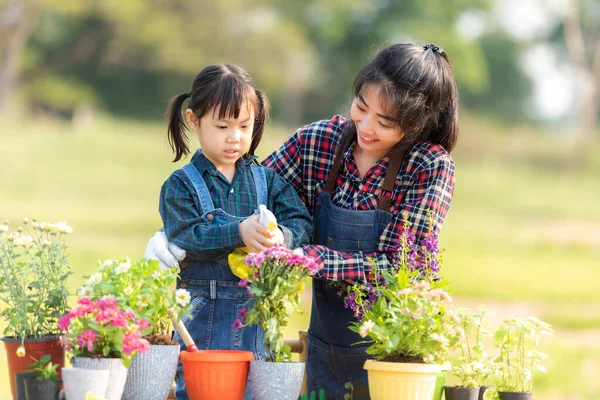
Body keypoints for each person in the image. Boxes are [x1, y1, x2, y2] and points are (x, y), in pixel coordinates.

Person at [147, 43, 458, 399]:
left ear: (416, 123)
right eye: (361, 107)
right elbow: (244, 192)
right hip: (327, 347)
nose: (366, 127)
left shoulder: (428, 166)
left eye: (385, 121)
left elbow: (402, 267)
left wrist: (306, 257)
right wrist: (173, 231)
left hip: (397, 353)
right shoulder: (318, 143)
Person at [157, 63, 312, 400]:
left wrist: (280, 238)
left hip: (255, 313)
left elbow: (301, 222)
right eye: (223, 125)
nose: (235, 137)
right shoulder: (181, 185)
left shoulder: (266, 180)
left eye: (245, 125)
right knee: (201, 392)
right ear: (194, 120)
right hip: (201, 311)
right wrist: (238, 232)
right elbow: (187, 235)